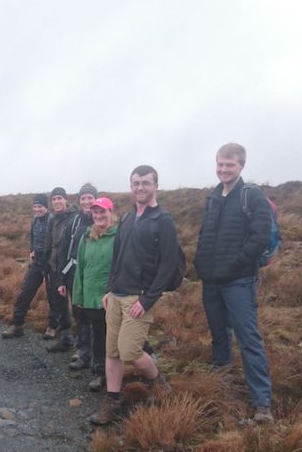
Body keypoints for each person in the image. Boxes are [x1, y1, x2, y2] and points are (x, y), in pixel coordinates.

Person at [90, 165, 179, 426]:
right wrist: (109, 289)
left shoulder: (163, 220)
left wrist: (148, 299)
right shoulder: (127, 219)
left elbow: (169, 265)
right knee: (111, 352)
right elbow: (116, 257)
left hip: (138, 299)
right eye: (136, 183)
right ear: (131, 186)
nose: (140, 187)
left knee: (129, 352)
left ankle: (157, 381)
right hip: (116, 296)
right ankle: (112, 401)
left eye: (145, 183)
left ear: (155, 186)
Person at [194, 143, 275, 423]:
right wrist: (200, 263)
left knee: (248, 339)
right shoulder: (213, 197)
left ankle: (262, 404)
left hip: (239, 281)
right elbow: (205, 233)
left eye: (230, 165)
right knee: (219, 335)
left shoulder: (251, 195)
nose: (224, 169)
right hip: (211, 281)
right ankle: (222, 380)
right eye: (220, 164)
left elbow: (260, 236)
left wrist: (236, 264)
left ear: (241, 166)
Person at [72, 197, 117, 392]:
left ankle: (122, 370)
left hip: (113, 295)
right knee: (98, 335)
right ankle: (100, 373)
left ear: (110, 212)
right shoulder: (87, 237)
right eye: (95, 212)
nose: (98, 216)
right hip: (91, 296)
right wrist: (78, 295)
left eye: (102, 212)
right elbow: (80, 267)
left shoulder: (120, 235)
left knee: (115, 336)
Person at [0, 193, 53, 338]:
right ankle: (17, 325)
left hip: (50, 264)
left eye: (40, 206)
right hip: (36, 263)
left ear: (46, 207)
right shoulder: (34, 220)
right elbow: (32, 238)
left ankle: (53, 327)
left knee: (53, 297)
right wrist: (32, 251)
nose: (37, 209)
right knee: (25, 292)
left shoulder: (52, 220)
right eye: (35, 206)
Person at [57, 183, 97, 364]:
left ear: (96, 199)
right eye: (83, 198)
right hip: (74, 274)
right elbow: (63, 251)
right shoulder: (73, 222)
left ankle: (100, 355)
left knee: (97, 316)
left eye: (90, 197)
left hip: (96, 277)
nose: (86, 201)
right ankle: (83, 351)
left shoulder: (102, 219)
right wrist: (61, 280)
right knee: (80, 314)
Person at [41, 187, 76, 349]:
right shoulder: (52, 219)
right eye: (54, 199)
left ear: (65, 199)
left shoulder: (75, 217)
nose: (57, 201)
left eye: (59, 198)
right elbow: (48, 242)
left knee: (78, 305)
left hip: (72, 267)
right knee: (60, 304)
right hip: (55, 266)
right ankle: (65, 338)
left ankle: (84, 344)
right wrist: (46, 262)